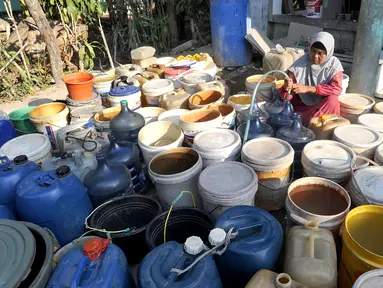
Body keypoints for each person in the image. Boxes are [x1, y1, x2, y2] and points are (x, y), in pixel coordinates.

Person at [280, 32, 344, 126]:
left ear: (329, 52)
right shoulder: (300, 64)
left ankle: (322, 127)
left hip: (323, 106)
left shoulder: (334, 65)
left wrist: (309, 88)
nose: (315, 56)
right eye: (313, 51)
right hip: (303, 107)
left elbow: (336, 89)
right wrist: (287, 88)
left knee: (333, 101)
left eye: (320, 53)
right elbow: (287, 96)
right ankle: (309, 125)